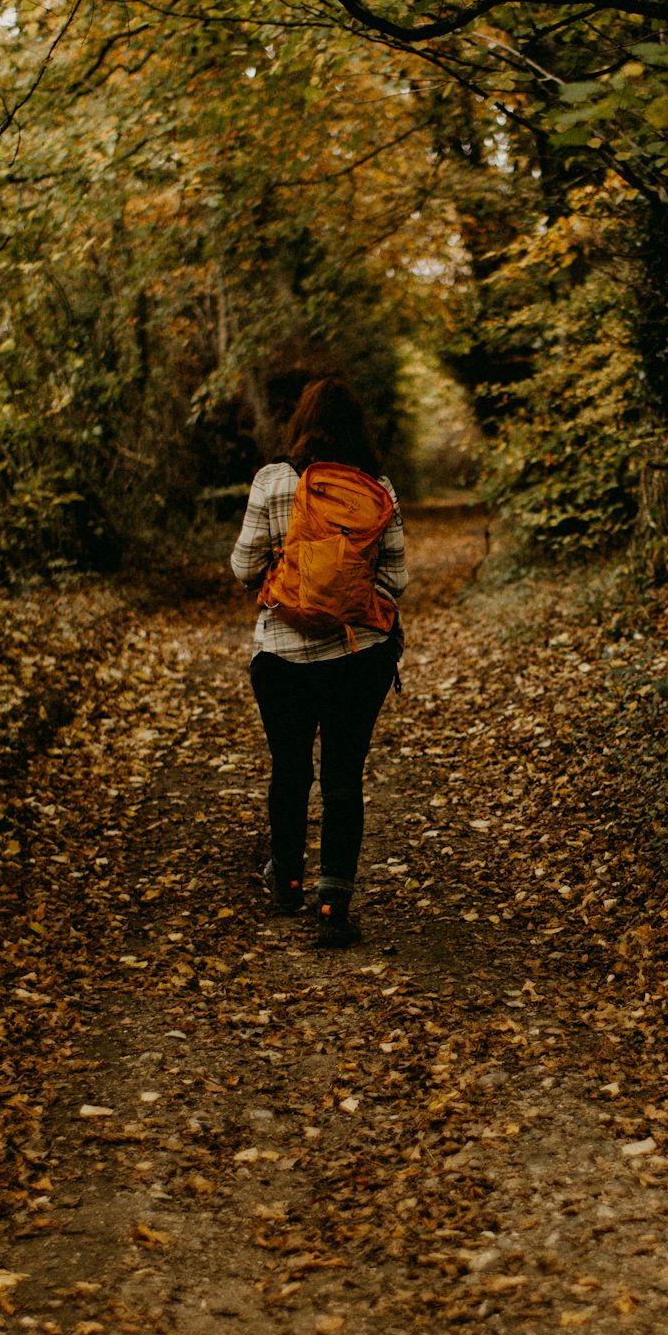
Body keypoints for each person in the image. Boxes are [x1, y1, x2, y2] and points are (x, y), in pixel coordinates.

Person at [228, 376, 407, 948]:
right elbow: (397, 581)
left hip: (281, 655)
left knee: (290, 769)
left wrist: (288, 575)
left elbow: (240, 566)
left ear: (299, 422)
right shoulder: (377, 489)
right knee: (342, 777)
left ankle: (287, 882)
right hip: (359, 656)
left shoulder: (273, 481)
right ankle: (334, 903)